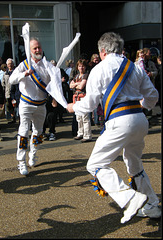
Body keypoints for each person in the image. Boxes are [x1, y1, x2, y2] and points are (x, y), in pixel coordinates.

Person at [66, 32, 161, 224]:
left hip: (119, 122)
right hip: (140, 120)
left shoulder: (99, 70)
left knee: (95, 165)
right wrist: (140, 106)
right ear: (120, 48)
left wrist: (73, 107)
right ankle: (151, 205)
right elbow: (152, 97)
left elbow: (90, 104)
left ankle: (130, 198)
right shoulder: (135, 67)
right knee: (134, 162)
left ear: (102, 51)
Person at [9, 37, 52, 175]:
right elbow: (11, 79)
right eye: (35, 48)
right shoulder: (24, 64)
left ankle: (33, 154)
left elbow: (53, 84)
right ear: (30, 51)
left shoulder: (47, 65)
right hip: (26, 104)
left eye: (39, 47)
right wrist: (24, 74)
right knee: (23, 132)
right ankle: (21, 162)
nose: (38, 50)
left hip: (41, 105)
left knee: (38, 133)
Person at [70, 59, 92, 143]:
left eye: (82, 66)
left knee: (85, 117)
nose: (81, 67)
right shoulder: (76, 76)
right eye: (79, 66)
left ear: (85, 67)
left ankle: (87, 135)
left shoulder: (86, 75)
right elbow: (70, 85)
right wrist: (76, 84)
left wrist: (75, 84)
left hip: (84, 97)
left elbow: (81, 86)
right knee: (78, 117)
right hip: (77, 98)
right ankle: (80, 133)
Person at [2, 58, 16, 123]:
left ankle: (17, 118)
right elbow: (3, 84)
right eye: (8, 64)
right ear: (7, 65)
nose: (10, 65)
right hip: (7, 93)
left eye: (11, 63)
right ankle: (13, 117)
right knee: (9, 106)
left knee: (16, 105)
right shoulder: (5, 74)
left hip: (15, 92)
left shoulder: (16, 72)